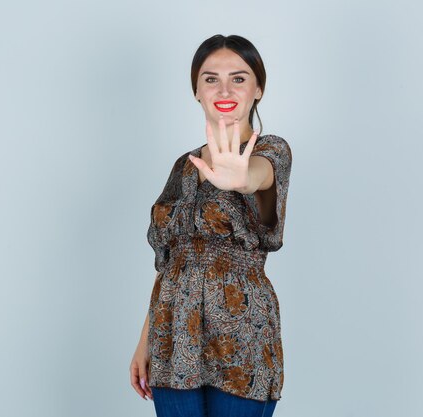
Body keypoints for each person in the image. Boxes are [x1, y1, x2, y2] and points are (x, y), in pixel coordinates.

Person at [130, 34, 292, 417]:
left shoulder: (272, 152)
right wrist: (145, 341)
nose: (224, 89)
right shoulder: (184, 167)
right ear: (196, 91)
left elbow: (259, 177)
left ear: (258, 89)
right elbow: (169, 263)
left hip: (241, 337)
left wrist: (241, 178)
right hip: (173, 336)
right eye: (210, 78)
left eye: (238, 78)